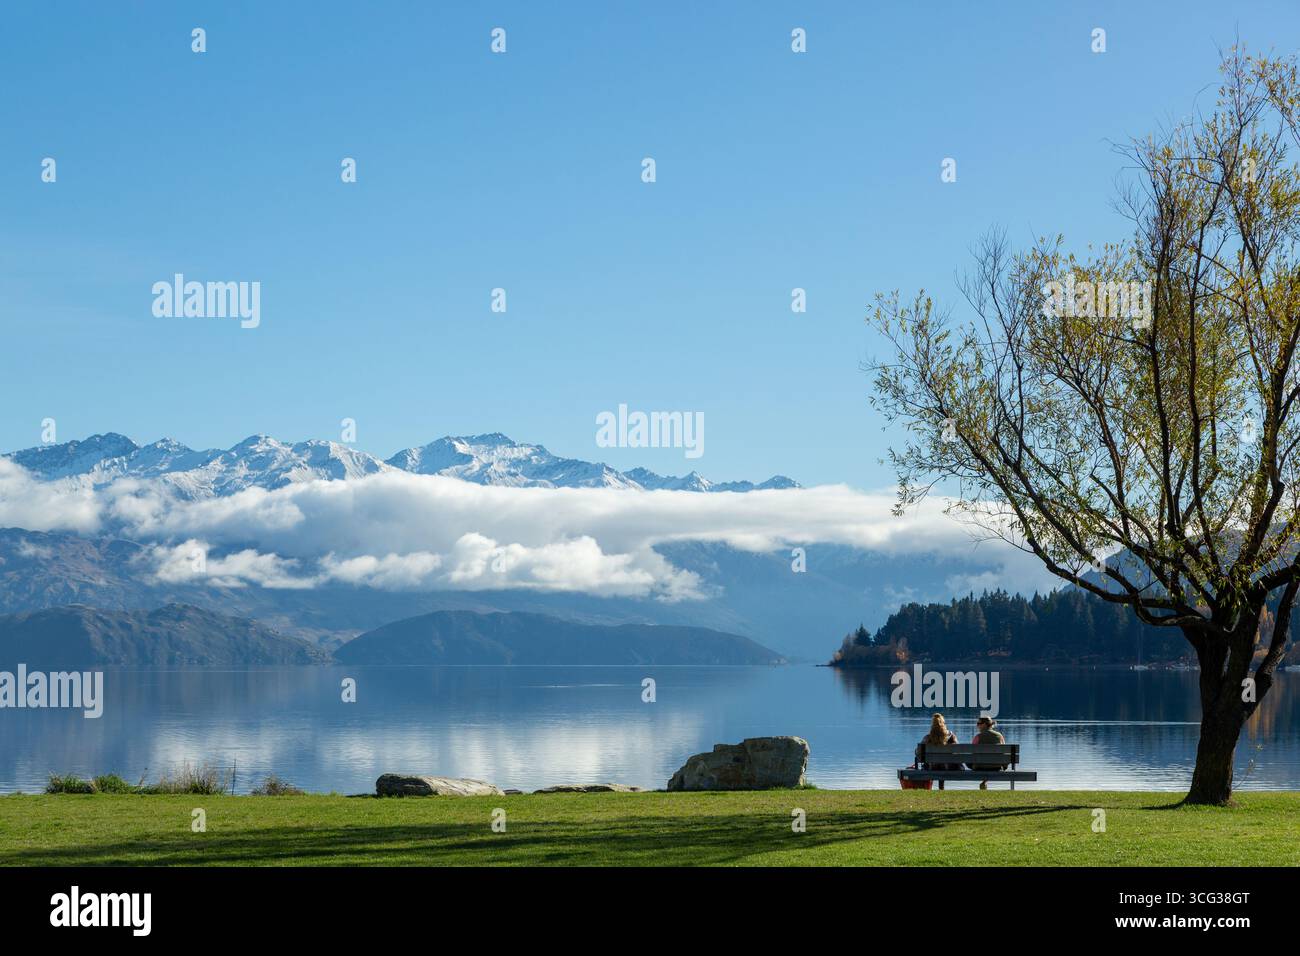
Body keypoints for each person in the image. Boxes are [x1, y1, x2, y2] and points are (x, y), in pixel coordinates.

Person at [969, 716, 1007, 789]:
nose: (977, 725)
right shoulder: (999, 736)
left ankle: (984, 782)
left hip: (980, 767)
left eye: (978, 723)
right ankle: (984, 782)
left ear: (984, 725)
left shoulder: (978, 737)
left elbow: (972, 753)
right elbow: (1004, 753)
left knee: (971, 761)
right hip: (996, 767)